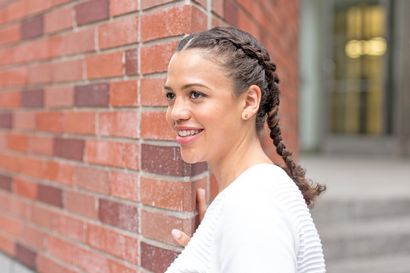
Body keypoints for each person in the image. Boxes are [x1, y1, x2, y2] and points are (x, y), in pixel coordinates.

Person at [162, 26, 326, 273]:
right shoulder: (250, 200)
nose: (176, 112)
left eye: (196, 94)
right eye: (171, 95)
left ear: (249, 102)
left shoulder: (252, 207)